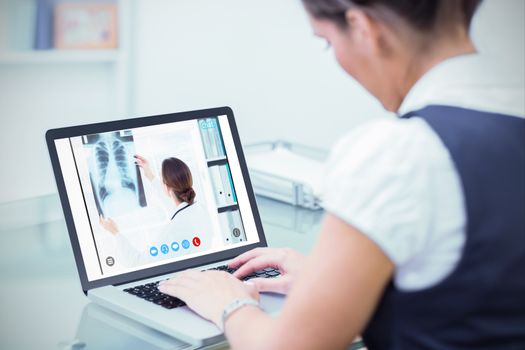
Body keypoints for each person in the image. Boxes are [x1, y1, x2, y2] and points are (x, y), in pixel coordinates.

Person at [158, 0, 525, 349]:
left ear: (362, 27)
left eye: (327, 42)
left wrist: (229, 304)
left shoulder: (400, 153)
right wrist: (330, 280)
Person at [100, 156, 212, 266]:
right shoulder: (200, 209)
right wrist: (150, 175)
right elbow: (174, 202)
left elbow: (138, 262)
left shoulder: (171, 232)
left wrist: (115, 233)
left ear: (167, 188)